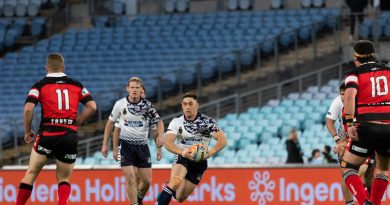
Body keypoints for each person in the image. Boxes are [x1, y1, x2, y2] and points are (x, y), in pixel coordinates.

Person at [16, 53, 97, 205]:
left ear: (46, 67)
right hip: (68, 135)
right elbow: (92, 106)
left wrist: (27, 132)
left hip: (47, 134)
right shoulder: (76, 84)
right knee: (64, 178)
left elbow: (28, 109)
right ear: (63, 66)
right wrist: (77, 121)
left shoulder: (39, 85)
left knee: (31, 173)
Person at [102, 77, 164, 205]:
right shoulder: (120, 104)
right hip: (125, 145)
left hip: (142, 146)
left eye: (137, 88)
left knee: (146, 181)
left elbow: (158, 124)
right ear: (127, 89)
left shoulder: (147, 106)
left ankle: (138, 199)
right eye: (132, 87)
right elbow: (111, 124)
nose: (135, 90)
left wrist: (160, 143)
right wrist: (106, 145)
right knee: (130, 178)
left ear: (141, 89)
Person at [342, 40, 390, 205]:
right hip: (388, 127)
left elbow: (349, 96)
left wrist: (349, 124)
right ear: (373, 54)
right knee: (383, 169)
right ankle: (375, 203)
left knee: (348, 167)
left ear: (356, 57)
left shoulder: (354, 74)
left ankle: (363, 202)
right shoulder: (388, 71)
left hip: (367, 126)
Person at [157, 93, 227, 205]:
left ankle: (168, 190)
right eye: (185, 104)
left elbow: (222, 140)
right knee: (175, 181)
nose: (187, 107)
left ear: (197, 105)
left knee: (180, 198)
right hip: (182, 157)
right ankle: (169, 188)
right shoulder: (176, 122)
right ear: (182, 106)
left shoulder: (207, 122)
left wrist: (210, 152)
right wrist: (182, 152)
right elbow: (168, 143)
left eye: (190, 104)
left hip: (200, 160)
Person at [326, 81, 375, 205]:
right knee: (349, 172)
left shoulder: (362, 106)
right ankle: (353, 202)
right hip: (349, 136)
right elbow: (331, 122)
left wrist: (343, 144)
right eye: (341, 94)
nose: (342, 97)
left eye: (345, 94)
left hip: (368, 138)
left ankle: (368, 200)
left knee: (367, 175)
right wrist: (339, 142)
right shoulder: (340, 105)